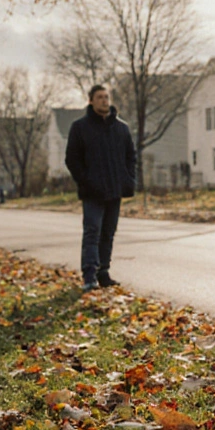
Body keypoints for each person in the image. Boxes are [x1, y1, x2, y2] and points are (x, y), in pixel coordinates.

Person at [65, 84, 136, 291]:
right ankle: (89, 275)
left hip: (114, 190)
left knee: (108, 233)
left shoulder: (121, 128)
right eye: (100, 97)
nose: (105, 100)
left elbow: (130, 157)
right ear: (91, 101)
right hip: (92, 193)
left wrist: (128, 181)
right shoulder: (80, 127)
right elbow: (72, 159)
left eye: (106, 97)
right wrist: (85, 182)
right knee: (92, 232)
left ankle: (103, 272)